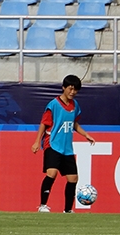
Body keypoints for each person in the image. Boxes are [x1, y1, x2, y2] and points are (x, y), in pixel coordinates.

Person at [31, 74, 95, 213]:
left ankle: (67, 210)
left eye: (75, 90)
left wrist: (85, 135)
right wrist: (37, 141)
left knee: (73, 178)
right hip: (53, 144)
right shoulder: (53, 104)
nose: (72, 92)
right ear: (63, 88)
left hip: (67, 148)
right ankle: (42, 205)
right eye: (70, 89)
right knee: (51, 173)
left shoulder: (75, 105)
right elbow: (44, 123)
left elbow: (74, 124)